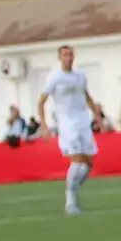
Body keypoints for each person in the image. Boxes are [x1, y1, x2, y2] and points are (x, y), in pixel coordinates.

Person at [37, 45, 99, 216]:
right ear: (59, 58)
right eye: (65, 55)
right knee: (77, 158)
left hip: (83, 120)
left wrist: (97, 115)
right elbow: (41, 101)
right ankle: (70, 199)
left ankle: (73, 188)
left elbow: (87, 96)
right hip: (66, 122)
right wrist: (44, 125)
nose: (68, 58)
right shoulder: (54, 77)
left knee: (88, 163)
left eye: (70, 54)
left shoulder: (80, 76)